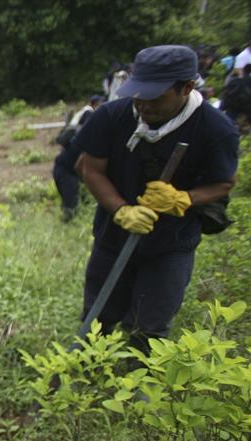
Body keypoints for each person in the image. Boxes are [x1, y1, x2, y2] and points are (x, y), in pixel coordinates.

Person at [74, 44, 238, 357]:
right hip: (113, 235)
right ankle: (85, 385)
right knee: (98, 318)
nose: (144, 104)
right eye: (139, 93)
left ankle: (139, 398)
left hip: (170, 244)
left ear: (186, 87)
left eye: (155, 96)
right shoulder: (112, 115)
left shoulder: (216, 129)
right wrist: (121, 210)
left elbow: (225, 182)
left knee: (148, 329)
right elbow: (89, 168)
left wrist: (183, 198)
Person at [53, 95, 104, 221]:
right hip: (66, 171)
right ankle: (67, 226)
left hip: (71, 171)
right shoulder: (85, 135)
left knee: (81, 202)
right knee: (71, 207)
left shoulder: (84, 136)